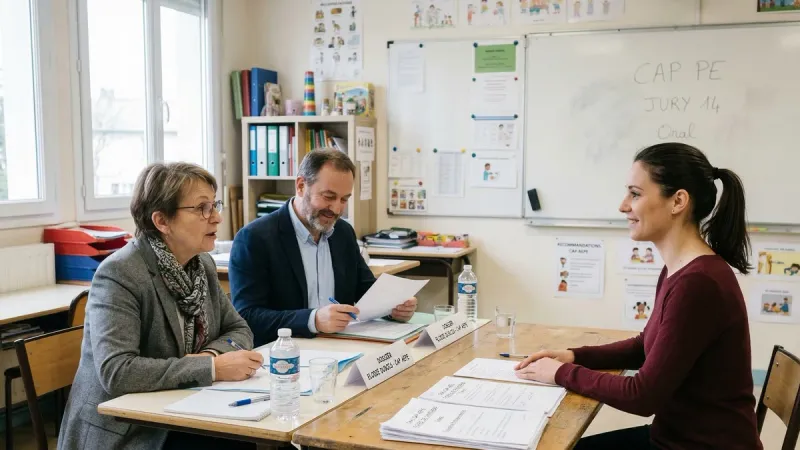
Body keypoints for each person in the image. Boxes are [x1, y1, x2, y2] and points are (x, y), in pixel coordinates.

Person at [514, 142, 762, 450]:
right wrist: (574, 356)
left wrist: (562, 373)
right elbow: (644, 346)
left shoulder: (698, 284)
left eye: (635, 193)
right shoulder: (680, 270)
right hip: (674, 439)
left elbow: (642, 396)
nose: (623, 206)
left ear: (678, 201)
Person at [58, 162, 263, 450]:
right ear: (162, 221)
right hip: (127, 430)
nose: (216, 217)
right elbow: (117, 372)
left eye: (214, 204)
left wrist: (211, 354)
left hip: (182, 405)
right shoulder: (120, 273)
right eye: (202, 208)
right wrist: (211, 368)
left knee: (240, 438)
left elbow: (238, 328)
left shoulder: (200, 264)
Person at [230, 149, 417, 346]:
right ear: (301, 186)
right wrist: (313, 320)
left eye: (344, 199)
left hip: (340, 346)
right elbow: (247, 317)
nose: (336, 209)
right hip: (284, 355)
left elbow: (366, 292)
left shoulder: (343, 232)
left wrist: (393, 308)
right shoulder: (254, 238)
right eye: (328, 196)